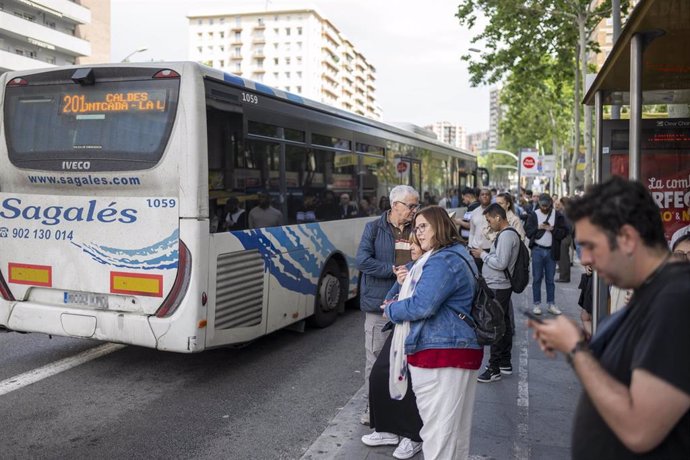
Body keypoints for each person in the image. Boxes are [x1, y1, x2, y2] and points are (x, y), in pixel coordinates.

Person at [528, 176, 690, 459]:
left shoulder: (676, 299)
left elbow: (640, 429)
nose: (585, 259)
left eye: (591, 246)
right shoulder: (652, 292)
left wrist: (576, 350)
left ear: (627, 238)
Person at [383, 206, 481, 460]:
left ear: (441, 226)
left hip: (441, 353)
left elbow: (422, 305)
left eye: (424, 226)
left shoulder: (442, 260)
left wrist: (392, 309)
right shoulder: (456, 253)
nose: (419, 233)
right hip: (455, 349)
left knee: (438, 435)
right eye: (416, 228)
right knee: (453, 433)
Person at [356, 185, 420, 426]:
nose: (415, 211)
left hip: (411, 304)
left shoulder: (418, 228)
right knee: (375, 361)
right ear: (395, 205)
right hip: (380, 305)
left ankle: (400, 410)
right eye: (411, 206)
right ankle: (371, 408)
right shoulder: (373, 228)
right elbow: (362, 260)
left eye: (416, 206)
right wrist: (392, 272)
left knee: (407, 360)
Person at [362, 233, 425, 459]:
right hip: (400, 330)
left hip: (419, 334)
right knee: (379, 376)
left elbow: (420, 305)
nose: (412, 247)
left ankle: (413, 436)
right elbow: (389, 300)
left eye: (416, 243)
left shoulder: (432, 266)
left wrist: (395, 304)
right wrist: (399, 286)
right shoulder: (409, 265)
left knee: (411, 387)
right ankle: (388, 429)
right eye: (411, 242)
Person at [470, 203, 520, 383]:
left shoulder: (506, 236)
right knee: (503, 323)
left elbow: (501, 263)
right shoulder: (504, 234)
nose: (489, 223)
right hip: (499, 285)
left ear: (498, 217)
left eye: (489, 220)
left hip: (499, 286)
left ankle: (493, 368)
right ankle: (504, 362)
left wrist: (482, 255)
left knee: (495, 325)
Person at [524, 193, 568, 315]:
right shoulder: (534, 215)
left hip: (551, 250)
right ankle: (536, 304)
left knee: (550, 279)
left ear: (550, 204)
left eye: (546, 206)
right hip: (537, 250)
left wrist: (552, 229)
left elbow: (564, 232)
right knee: (537, 278)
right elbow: (528, 232)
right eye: (542, 206)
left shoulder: (557, 216)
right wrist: (538, 227)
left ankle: (551, 304)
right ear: (539, 204)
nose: (544, 208)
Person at [467, 188, 492, 272]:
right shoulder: (474, 212)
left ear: (490, 197)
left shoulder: (496, 211)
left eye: (487, 194)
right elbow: (472, 231)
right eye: (482, 194)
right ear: (479, 197)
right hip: (475, 249)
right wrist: (470, 246)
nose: (485, 196)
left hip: (490, 249)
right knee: (477, 274)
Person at [555, 197, 573, 282]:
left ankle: (564, 277)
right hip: (567, 236)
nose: (559, 205)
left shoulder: (566, 212)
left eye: (560, 203)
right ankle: (564, 275)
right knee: (564, 257)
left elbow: (568, 226)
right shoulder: (568, 212)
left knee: (564, 258)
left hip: (565, 237)